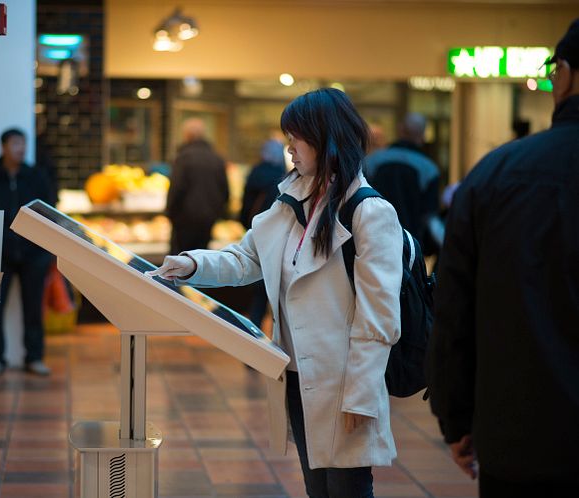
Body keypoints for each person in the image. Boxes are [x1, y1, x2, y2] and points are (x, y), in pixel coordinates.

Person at [148, 88, 402, 498]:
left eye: (296, 137)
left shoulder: (369, 212)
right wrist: (192, 264)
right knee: (318, 490)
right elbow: (246, 257)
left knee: (349, 490)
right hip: (299, 378)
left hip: (343, 383)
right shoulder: (292, 200)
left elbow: (379, 315)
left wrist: (361, 396)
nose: (290, 148)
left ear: (325, 138)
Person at [425, 19, 579, 497]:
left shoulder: (497, 176)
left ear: (566, 76)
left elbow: (453, 309)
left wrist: (457, 418)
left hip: (522, 440)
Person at [0, 128, 55, 377]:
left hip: (34, 253)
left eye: (23, 144)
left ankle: (34, 357)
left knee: (34, 308)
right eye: (16, 144)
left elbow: (49, 210)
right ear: (4, 146)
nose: (21, 149)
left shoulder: (35, 175)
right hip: (1, 253)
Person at [365, 113, 440, 253]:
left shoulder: (371, 162)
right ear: (423, 135)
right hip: (411, 247)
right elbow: (429, 217)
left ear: (400, 130)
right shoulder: (429, 169)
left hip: (372, 242)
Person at [239, 138, 286, 329]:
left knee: (258, 293)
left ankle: (253, 335)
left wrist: (246, 226)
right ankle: (275, 347)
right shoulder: (282, 176)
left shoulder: (255, 172)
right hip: (277, 238)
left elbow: (245, 206)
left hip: (256, 234)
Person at [165, 118, 229, 254]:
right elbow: (225, 191)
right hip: (208, 220)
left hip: (184, 222)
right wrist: (217, 213)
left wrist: (170, 213)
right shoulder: (217, 158)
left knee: (180, 262)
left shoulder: (183, 157)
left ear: (187, 135)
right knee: (201, 259)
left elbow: (177, 189)